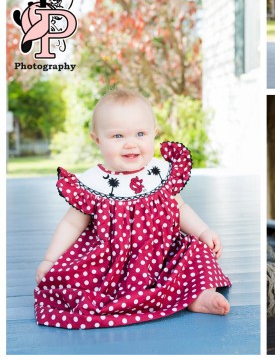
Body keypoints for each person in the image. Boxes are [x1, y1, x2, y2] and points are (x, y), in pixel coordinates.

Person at [34, 88, 231, 329]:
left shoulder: (159, 174)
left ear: (153, 134)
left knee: (197, 251)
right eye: (118, 136)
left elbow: (180, 207)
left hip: (165, 255)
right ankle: (156, 296)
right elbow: (72, 223)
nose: (130, 144)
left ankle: (200, 294)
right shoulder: (94, 184)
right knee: (76, 279)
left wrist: (203, 232)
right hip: (114, 267)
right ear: (97, 139)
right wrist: (50, 259)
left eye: (140, 134)